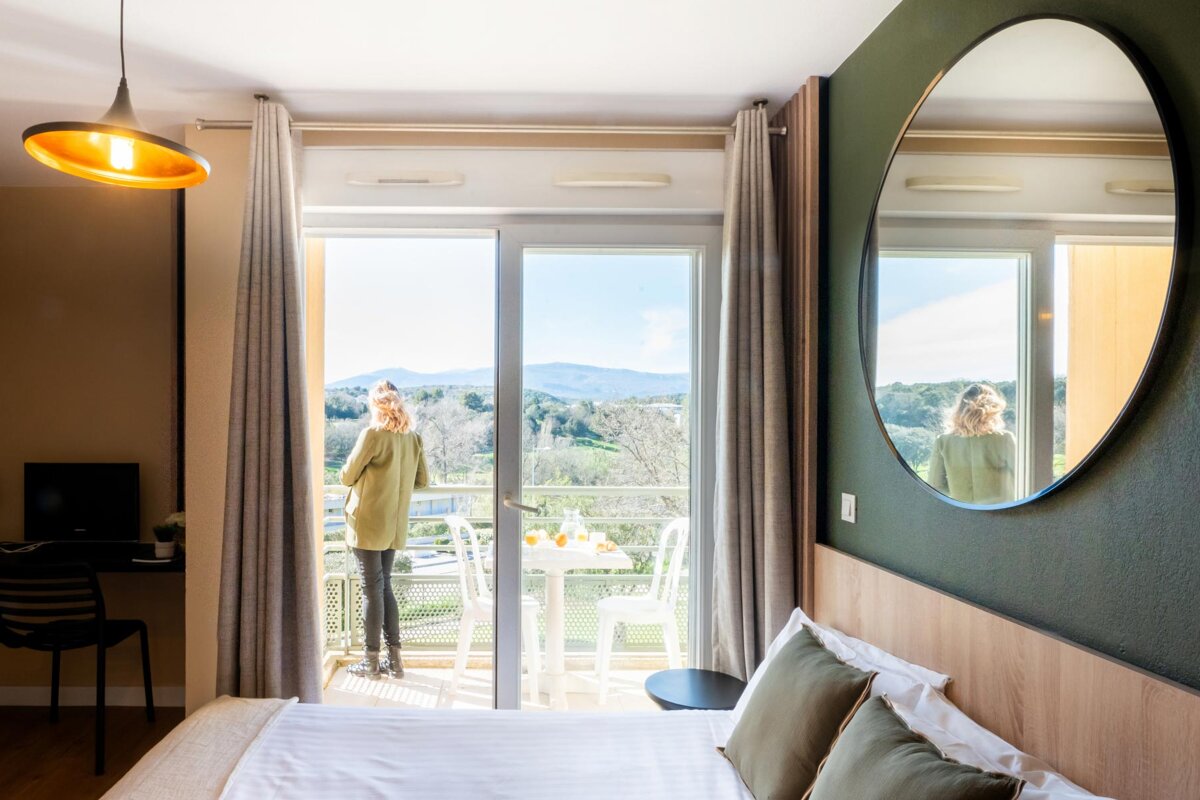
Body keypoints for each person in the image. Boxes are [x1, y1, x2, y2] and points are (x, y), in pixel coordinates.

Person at [339, 380, 429, 680]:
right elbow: (422, 481)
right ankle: (396, 662)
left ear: (376, 405)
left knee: (371, 590)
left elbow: (347, 475)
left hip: (367, 523)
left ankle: (371, 662)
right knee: (385, 586)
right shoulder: (413, 438)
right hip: (394, 524)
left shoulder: (372, 435)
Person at [926, 383, 1016, 505]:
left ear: (959, 410)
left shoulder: (943, 442)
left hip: (963, 517)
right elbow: (1024, 480)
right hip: (1003, 516)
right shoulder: (1004, 439)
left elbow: (935, 487)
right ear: (993, 408)